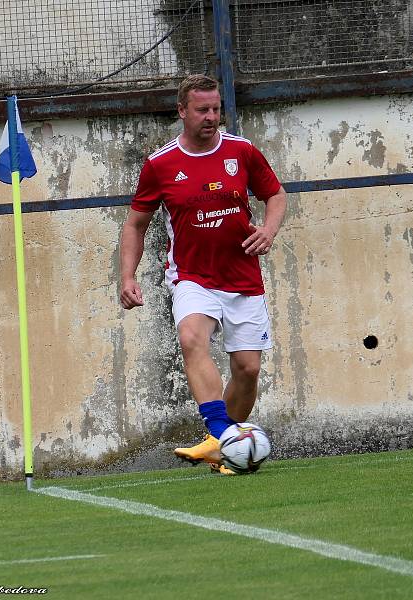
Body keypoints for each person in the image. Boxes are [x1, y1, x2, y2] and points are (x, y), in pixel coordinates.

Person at [119, 74, 286, 475]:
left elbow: (275, 195)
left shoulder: (242, 151)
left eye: (216, 109)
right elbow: (135, 224)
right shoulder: (160, 164)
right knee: (191, 336)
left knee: (247, 370)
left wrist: (268, 229)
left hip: (243, 277)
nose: (211, 117)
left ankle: (226, 451)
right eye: (202, 110)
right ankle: (218, 434)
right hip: (191, 275)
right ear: (182, 112)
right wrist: (128, 277)